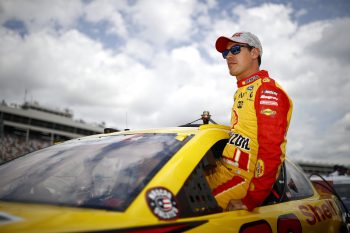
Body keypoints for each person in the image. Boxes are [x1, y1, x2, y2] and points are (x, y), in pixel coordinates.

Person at [205, 32, 293, 211]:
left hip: (245, 180)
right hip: (222, 171)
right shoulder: (242, 90)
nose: (228, 56)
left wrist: (251, 200)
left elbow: (271, 151)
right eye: (225, 53)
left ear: (255, 53)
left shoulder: (267, 90)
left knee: (187, 214)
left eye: (235, 49)